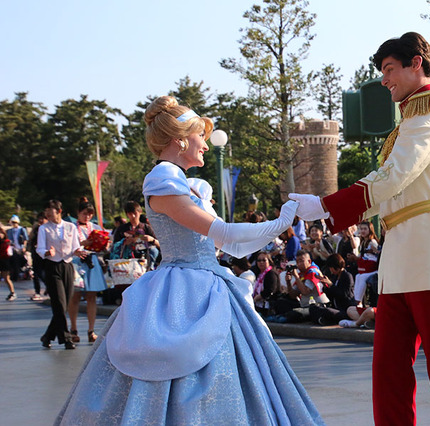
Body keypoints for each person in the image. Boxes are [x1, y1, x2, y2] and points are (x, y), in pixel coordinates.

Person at [55, 96, 322, 424]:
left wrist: (285, 222)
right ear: (180, 140)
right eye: (201, 137)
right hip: (182, 289)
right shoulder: (162, 179)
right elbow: (221, 229)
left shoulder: (186, 184)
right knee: (177, 366)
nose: (207, 146)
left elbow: (231, 246)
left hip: (209, 281)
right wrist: (281, 222)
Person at [290, 32, 430, 425]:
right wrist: (334, 209)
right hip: (400, 258)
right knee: (388, 370)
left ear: (416, 64)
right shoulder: (409, 122)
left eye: (389, 69)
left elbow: (394, 177)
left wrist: (326, 205)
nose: (384, 79)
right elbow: (389, 189)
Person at [37, 200, 88, 350]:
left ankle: (47, 336)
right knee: (58, 303)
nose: (47, 213)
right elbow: (40, 249)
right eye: (46, 210)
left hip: (67, 265)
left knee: (64, 305)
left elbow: (75, 247)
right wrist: (47, 252)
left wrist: (78, 251)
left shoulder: (70, 226)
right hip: (52, 266)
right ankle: (66, 338)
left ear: (59, 211)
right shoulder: (43, 229)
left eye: (50, 210)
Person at [67, 198, 109, 344]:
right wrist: (81, 243)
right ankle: (73, 329)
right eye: (85, 213)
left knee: (92, 296)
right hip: (77, 262)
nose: (87, 216)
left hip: (92, 261)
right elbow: (66, 246)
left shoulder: (96, 227)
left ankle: (91, 330)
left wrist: (103, 243)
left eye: (90, 214)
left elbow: (105, 245)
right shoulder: (71, 227)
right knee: (75, 296)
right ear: (78, 213)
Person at [310, 253, 356, 325]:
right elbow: (332, 296)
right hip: (335, 307)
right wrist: (325, 285)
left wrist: (331, 284)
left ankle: (326, 319)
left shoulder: (347, 276)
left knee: (328, 311)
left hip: (345, 309)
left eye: (331, 268)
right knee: (313, 307)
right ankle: (324, 319)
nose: (330, 270)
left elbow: (344, 295)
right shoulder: (335, 277)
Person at [112, 201, 160, 267]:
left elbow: (160, 245)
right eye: (130, 214)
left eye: (135, 213)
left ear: (140, 212)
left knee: (153, 250)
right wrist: (124, 242)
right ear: (127, 214)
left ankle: (150, 268)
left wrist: (151, 239)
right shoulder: (122, 229)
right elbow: (114, 246)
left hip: (145, 257)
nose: (133, 216)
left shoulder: (146, 227)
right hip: (128, 259)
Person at [27, 212, 47, 300]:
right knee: (36, 273)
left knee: (44, 273)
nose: (41, 220)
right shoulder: (36, 228)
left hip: (46, 254)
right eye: (40, 218)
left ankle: (49, 287)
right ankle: (37, 292)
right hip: (36, 252)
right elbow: (31, 239)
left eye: (43, 218)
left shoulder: (48, 228)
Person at [6, 215, 28, 281]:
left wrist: (24, 247)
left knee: (18, 262)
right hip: (12, 248)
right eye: (13, 222)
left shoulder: (22, 229)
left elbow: (25, 239)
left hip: (19, 248)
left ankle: (16, 275)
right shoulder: (9, 231)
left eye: (15, 222)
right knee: (12, 262)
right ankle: (13, 275)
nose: (14, 224)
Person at [0, 227, 17, 301]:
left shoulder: (7, 242)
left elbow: (9, 252)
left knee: (6, 278)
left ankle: (12, 292)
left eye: (1, 233)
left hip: (5, 261)